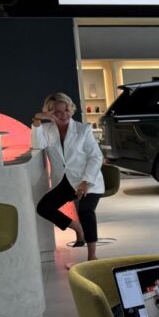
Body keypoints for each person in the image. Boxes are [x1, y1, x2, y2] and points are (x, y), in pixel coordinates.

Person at [31, 93, 105, 263]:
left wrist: (86, 182)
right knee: (44, 207)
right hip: (64, 181)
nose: (63, 115)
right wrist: (37, 119)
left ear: (71, 110)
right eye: (57, 112)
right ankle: (76, 227)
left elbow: (96, 157)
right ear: (49, 113)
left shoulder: (83, 129)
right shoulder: (47, 130)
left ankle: (92, 256)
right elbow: (37, 145)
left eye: (66, 110)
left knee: (85, 210)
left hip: (87, 180)